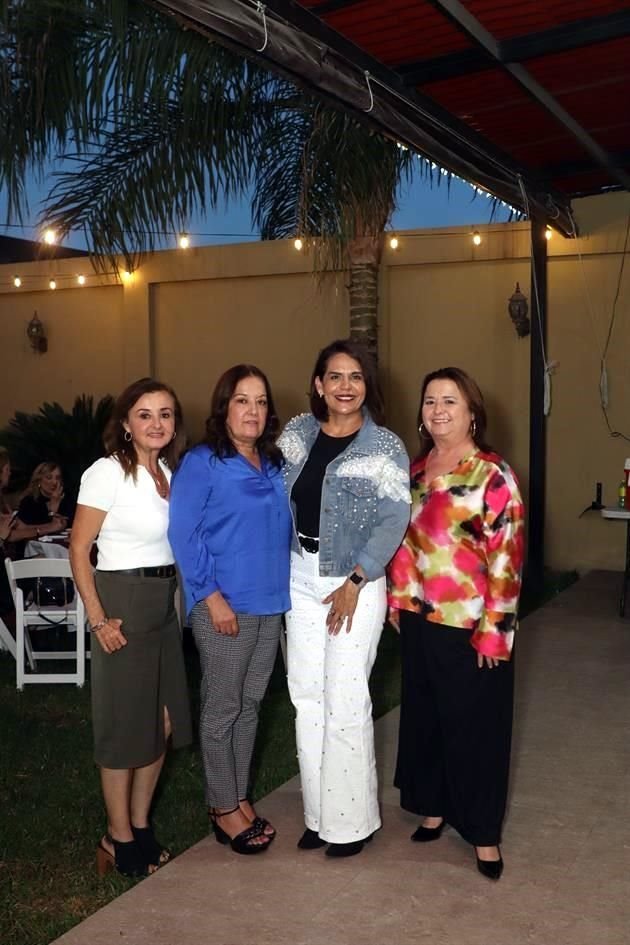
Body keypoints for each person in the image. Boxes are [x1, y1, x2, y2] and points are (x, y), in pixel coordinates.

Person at [388, 366, 524, 881]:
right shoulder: (416, 471)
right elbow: (403, 543)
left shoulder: (493, 474)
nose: (438, 410)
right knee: (427, 720)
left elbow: (507, 557)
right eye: (430, 401)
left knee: (477, 730)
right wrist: (399, 602)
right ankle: (435, 806)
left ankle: (484, 833)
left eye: (450, 401)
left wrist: (496, 630)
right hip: (422, 622)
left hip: (472, 626)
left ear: (472, 412)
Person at [278, 338, 410, 858]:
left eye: (355, 376)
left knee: (346, 699)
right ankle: (319, 815)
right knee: (306, 696)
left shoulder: (385, 447)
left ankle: (352, 823)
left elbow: (393, 519)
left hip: (353, 580)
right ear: (319, 384)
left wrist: (357, 581)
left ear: (366, 385)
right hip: (299, 574)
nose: (345, 386)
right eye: (335, 376)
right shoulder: (297, 435)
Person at [69, 378, 192, 878]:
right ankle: (116, 837)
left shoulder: (168, 472)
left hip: (164, 602)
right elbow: (79, 549)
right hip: (122, 600)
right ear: (125, 423)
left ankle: (140, 826)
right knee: (125, 726)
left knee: (161, 722)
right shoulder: (107, 473)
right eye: (145, 414)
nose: (156, 423)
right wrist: (98, 619)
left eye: (165, 413)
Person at [168, 364, 291, 856]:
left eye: (261, 402)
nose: (253, 411)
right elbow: (183, 532)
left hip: (269, 604)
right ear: (225, 408)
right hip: (223, 605)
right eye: (243, 400)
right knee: (222, 709)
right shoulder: (203, 462)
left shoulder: (274, 462)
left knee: (250, 706)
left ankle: (238, 796)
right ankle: (222, 810)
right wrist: (209, 595)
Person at [18, 461, 75, 531]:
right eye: (49, 478)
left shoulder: (66, 498)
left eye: (57, 478)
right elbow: (27, 529)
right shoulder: (28, 502)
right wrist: (53, 508)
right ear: (39, 481)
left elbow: (72, 522)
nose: (54, 482)